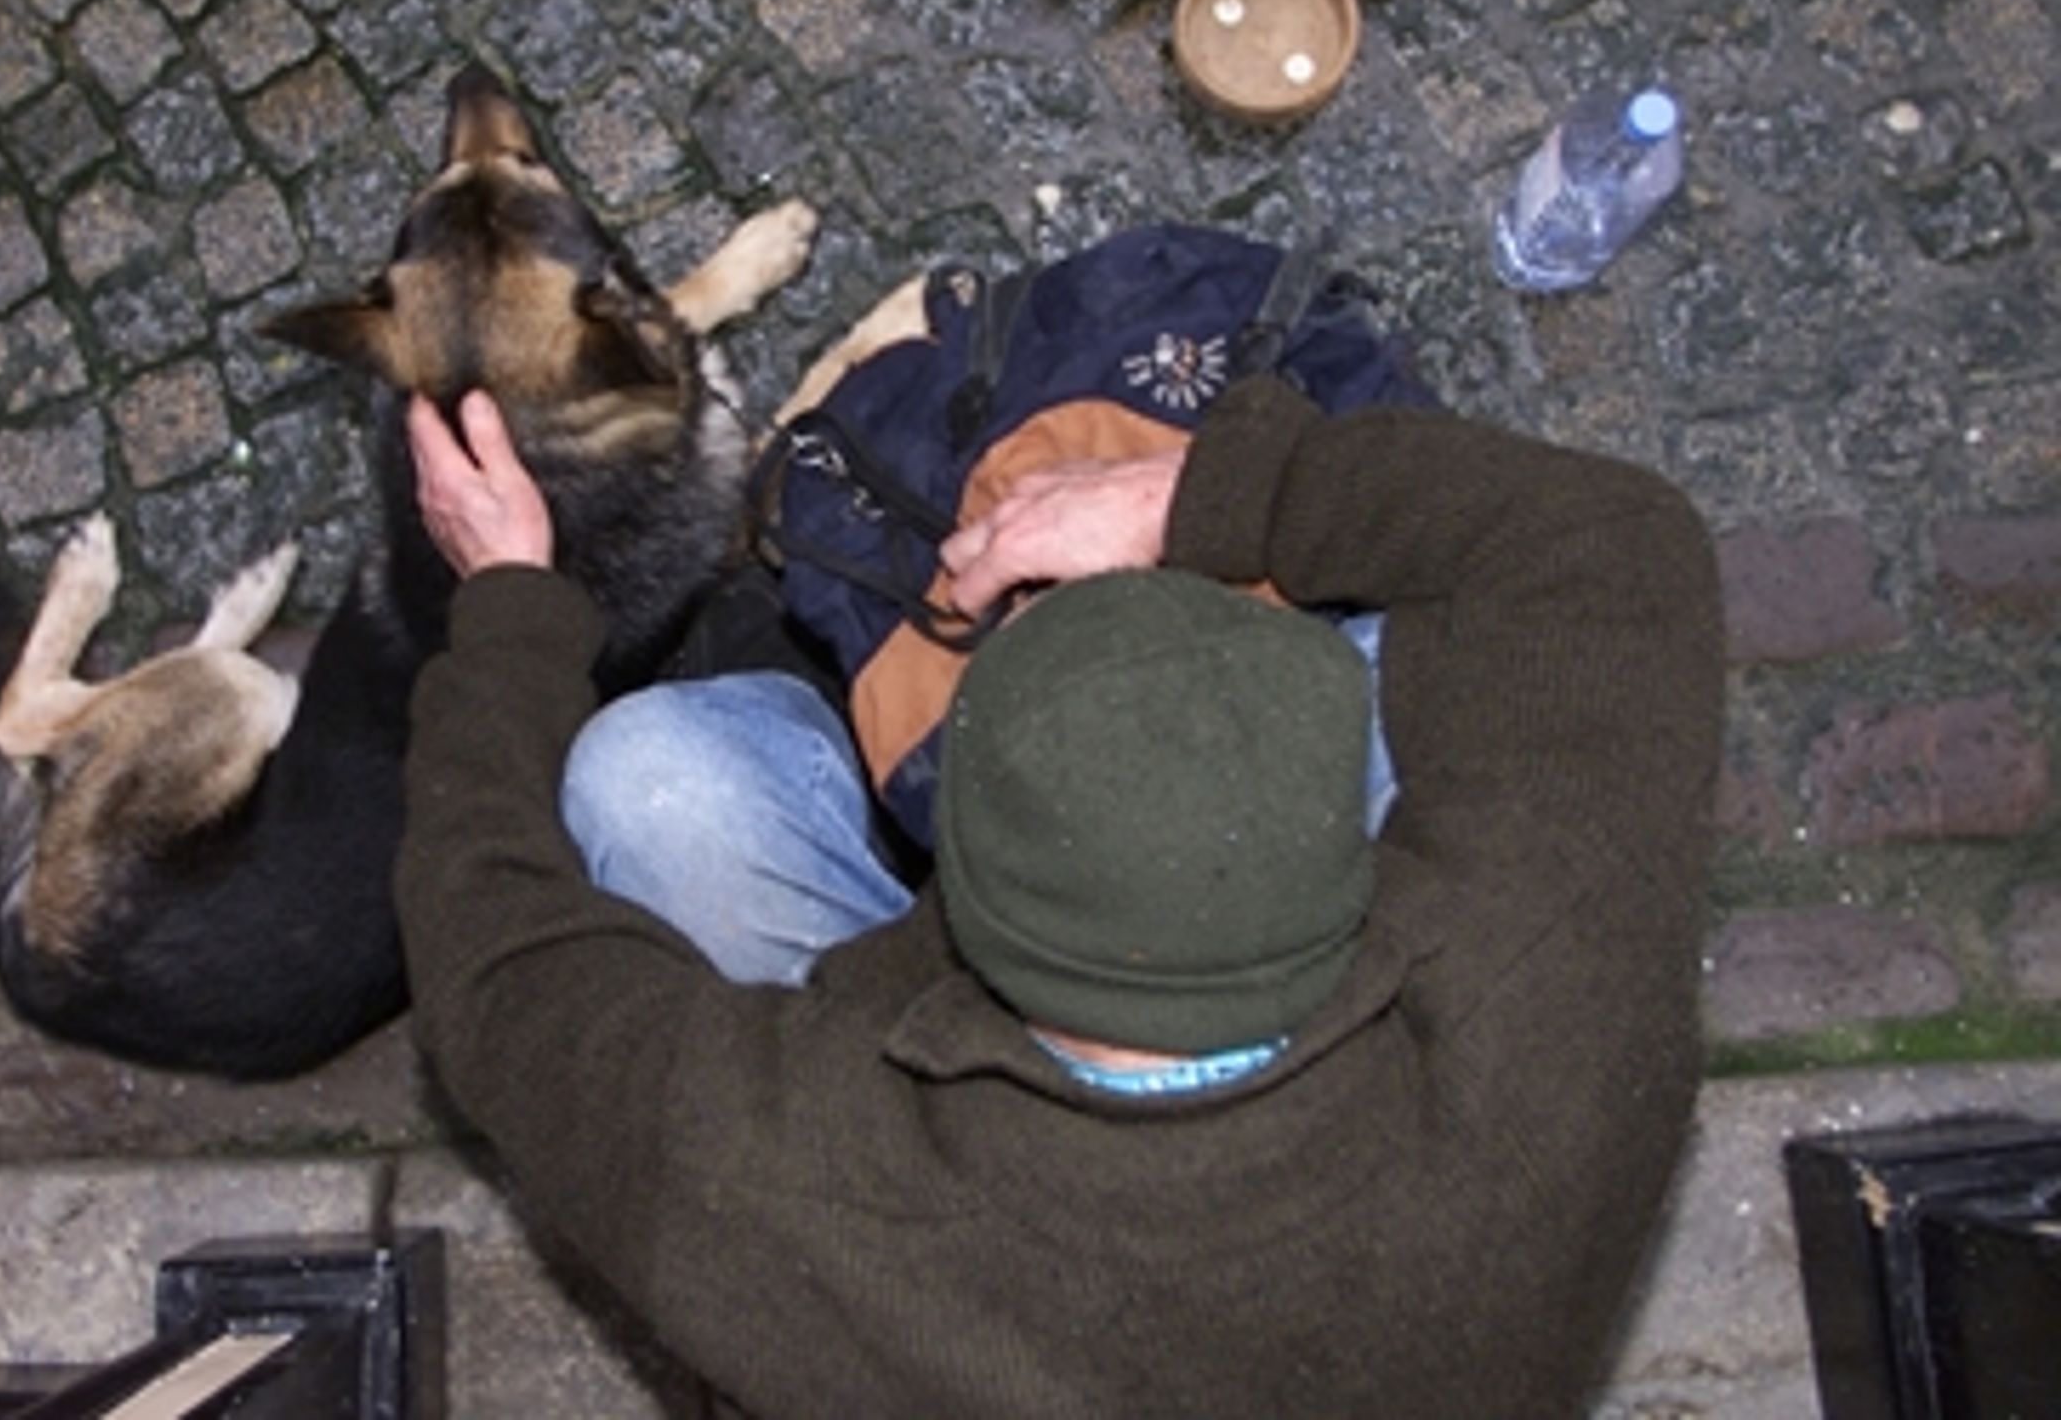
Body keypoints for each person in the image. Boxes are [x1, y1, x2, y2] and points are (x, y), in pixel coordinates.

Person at [393, 376, 1724, 1417]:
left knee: (646, 785)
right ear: (1341, 857)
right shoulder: (1556, 1035)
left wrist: (512, 598)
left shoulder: (777, 1185)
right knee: (1414, 656)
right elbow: (1611, 543)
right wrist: (1204, 498)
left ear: (957, 886)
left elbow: (494, 958)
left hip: (897, 1206)